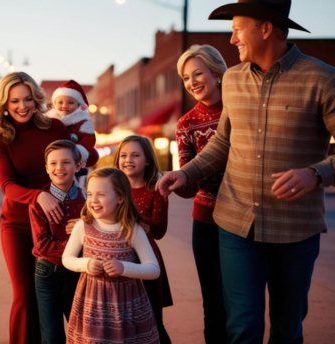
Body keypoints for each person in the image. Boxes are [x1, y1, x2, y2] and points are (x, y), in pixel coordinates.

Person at [156, 1, 335, 342]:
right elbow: (223, 144)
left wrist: (316, 173)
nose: (232, 40)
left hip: (296, 229)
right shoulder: (231, 80)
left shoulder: (323, 79)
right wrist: (187, 173)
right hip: (235, 224)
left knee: (287, 329)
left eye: (237, 29)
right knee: (242, 326)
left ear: (266, 28)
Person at [0, 71, 72, 344]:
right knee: (24, 294)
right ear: (4, 104)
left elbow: (73, 168)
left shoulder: (56, 128)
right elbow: (7, 186)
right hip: (19, 225)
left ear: (36, 99)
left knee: (59, 293)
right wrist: (39, 196)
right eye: (14, 101)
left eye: (27, 99)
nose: (22, 106)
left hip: (56, 220)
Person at [62, 167, 160, 344]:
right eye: (90, 194)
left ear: (120, 197)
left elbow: (153, 269)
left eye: (101, 194)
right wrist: (86, 264)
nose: (93, 200)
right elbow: (67, 259)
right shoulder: (83, 226)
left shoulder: (132, 229)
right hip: (91, 302)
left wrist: (124, 268)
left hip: (127, 306)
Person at [174, 44, 228, 343]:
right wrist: (176, 182)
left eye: (197, 73)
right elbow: (188, 183)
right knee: (214, 302)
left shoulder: (242, 110)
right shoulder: (186, 123)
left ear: (217, 73)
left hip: (246, 217)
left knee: (243, 303)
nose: (192, 82)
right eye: (185, 78)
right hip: (206, 220)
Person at [113, 135, 172, 344]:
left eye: (135, 155)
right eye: (124, 155)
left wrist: (132, 216)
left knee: (153, 321)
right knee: (123, 321)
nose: (128, 160)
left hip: (145, 259)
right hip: (117, 258)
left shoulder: (156, 190)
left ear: (147, 160)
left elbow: (159, 230)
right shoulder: (112, 189)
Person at [29, 140, 85, 344]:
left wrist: (86, 229)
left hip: (80, 274)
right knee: (52, 337)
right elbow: (42, 245)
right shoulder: (39, 202)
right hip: (48, 275)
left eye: (66, 162)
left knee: (81, 333)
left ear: (78, 166)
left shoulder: (88, 198)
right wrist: (76, 245)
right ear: (46, 167)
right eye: (53, 163)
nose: (59, 168)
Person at [46, 80, 100, 178]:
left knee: (78, 181)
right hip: (56, 160)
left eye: (70, 102)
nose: (64, 106)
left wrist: (79, 152)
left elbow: (89, 139)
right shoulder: (50, 120)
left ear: (78, 105)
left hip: (77, 159)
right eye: (60, 102)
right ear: (54, 104)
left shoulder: (83, 121)